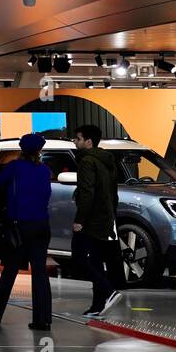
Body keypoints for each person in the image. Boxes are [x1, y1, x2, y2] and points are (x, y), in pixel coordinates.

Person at [0, 133, 54, 329]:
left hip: (19, 226)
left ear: (22, 149)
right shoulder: (45, 171)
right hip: (42, 226)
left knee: (10, 269)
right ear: (39, 151)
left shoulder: (14, 168)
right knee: (40, 273)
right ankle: (43, 319)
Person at [72, 124, 124, 317]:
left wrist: (80, 219)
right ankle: (97, 305)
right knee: (96, 260)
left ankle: (109, 292)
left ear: (88, 141)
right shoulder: (108, 161)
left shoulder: (87, 162)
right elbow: (113, 192)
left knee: (80, 258)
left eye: (77, 138)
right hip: (106, 217)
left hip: (91, 219)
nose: (75, 142)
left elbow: (87, 192)